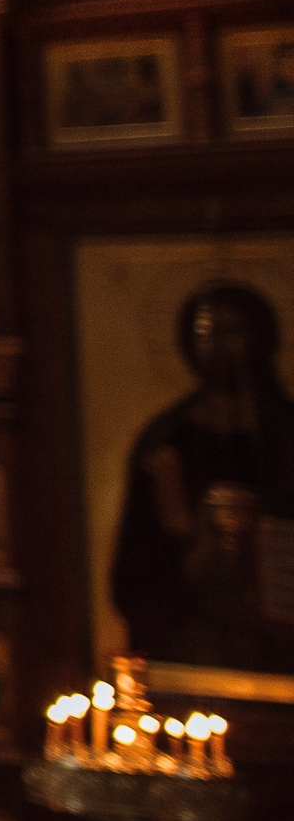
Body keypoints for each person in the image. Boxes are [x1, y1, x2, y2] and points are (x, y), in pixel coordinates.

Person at [109, 282, 294, 672]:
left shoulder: (286, 430)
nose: (220, 347)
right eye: (207, 334)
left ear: (260, 338)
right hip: (194, 636)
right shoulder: (166, 440)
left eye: (233, 331)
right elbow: (137, 562)